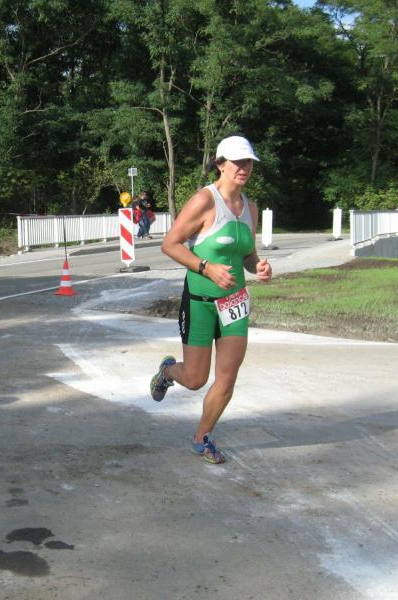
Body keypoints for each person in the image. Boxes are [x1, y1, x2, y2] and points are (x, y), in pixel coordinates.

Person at [149, 135, 272, 464]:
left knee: (228, 376)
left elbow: (247, 255)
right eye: (237, 162)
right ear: (220, 164)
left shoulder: (250, 208)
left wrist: (258, 266)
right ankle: (167, 372)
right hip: (200, 301)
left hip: (234, 304)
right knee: (195, 379)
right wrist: (206, 267)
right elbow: (170, 244)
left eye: (248, 162)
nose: (244, 168)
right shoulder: (205, 200)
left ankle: (202, 437)